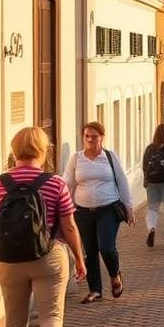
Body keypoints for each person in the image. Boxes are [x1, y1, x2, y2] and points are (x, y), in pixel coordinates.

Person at [0, 127, 87, 327]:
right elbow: (69, 226)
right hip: (49, 256)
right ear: (43, 150)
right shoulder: (55, 182)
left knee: (15, 318)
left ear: (14, 150)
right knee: (51, 316)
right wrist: (79, 259)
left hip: (10, 260)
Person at [63, 122, 135, 304]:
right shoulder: (76, 158)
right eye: (86, 136)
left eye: (93, 136)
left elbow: (122, 181)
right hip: (83, 211)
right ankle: (94, 289)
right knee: (90, 251)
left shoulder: (109, 157)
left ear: (102, 137)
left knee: (106, 247)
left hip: (108, 208)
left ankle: (114, 274)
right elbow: (68, 184)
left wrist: (129, 206)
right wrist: (64, 210)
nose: (89, 139)